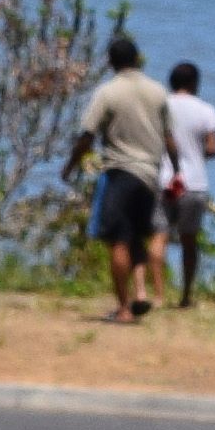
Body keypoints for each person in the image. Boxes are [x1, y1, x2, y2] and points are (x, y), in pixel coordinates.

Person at [68, 29, 178, 322]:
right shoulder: (158, 91)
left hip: (120, 172)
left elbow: (87, 135)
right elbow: (169, 138)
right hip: (149, 175)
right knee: (137, 237)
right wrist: (176, 171)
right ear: (138, 59)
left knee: (118, 239)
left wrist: (71, 165)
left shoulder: (108, 92)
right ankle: (140, 294)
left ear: (110, 61)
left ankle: (124, 308)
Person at [160, 56, 215, 309]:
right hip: (194, 183)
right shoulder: (207, 111)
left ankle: (157, 294)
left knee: (158, 237)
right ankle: (186, 295)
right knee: (189, 242)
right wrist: (197, 153)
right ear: (195, 83)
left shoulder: (161, 107)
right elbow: (213, 148)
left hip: (163, 180)